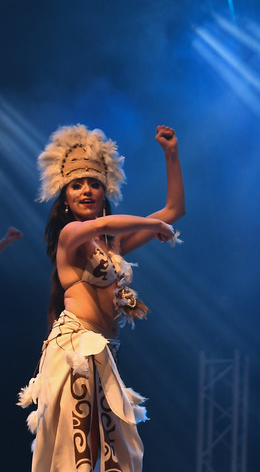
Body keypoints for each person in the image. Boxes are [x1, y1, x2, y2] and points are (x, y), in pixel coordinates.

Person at [19, 124, 184, 472]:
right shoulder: (71, 235)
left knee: (109, 457)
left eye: (94, 183)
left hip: (103, 351)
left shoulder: (114, 243)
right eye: (76, 185)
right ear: (64, 196)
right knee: (78, 456)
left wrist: (171, 154)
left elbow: (172, 211)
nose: (86, 191)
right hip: (76, 349)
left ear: (104, 189)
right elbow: (97, 227)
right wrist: (148, 224)